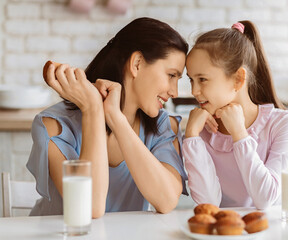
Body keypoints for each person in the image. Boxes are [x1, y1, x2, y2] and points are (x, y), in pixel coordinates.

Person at [26, 17, 189, 218]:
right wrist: (93, 109)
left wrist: (116, 118)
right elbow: (89, 208)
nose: (174, 91)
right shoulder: (54, 126)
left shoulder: (164, 126)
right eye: (171, 75)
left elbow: (166, 201)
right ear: (137, 64)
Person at [182, 20, 288, 209]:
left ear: (238, 79)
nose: (194, 91)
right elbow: (209, 204)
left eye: (202, 79)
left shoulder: (284, 124)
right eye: (191, 80)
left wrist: (239, 135)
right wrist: (191, 138)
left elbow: (266, 199)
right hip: (224, 232)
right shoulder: (201, 132)